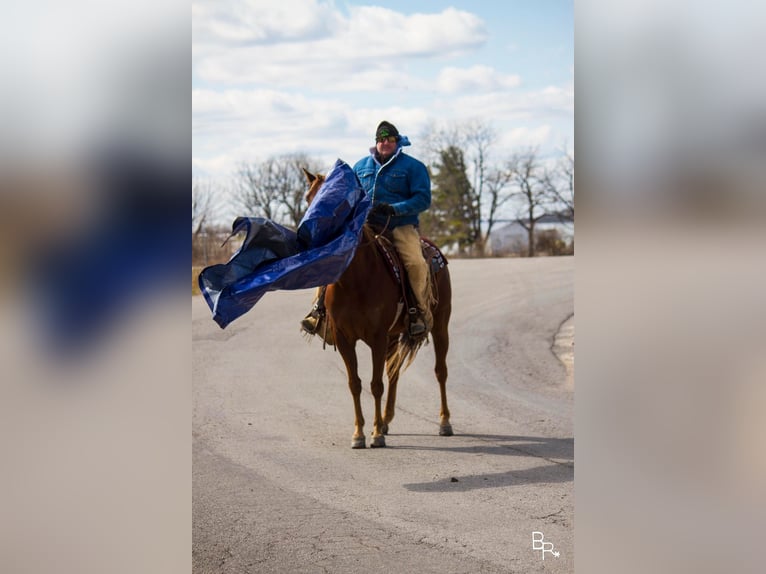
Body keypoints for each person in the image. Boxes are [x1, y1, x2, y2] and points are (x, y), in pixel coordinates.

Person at [301, 120, 433, 336]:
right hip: (364, 225)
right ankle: (318, 311)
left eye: (390, 139)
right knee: (331, 256)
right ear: (376, 142)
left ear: (397, 142)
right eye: (381, 139)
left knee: (416, 263)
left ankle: (417, 311)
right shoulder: (360, 167)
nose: (385, 143)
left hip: (399, 225)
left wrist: (394, 208)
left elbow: (423, 199)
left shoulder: (413, 167)